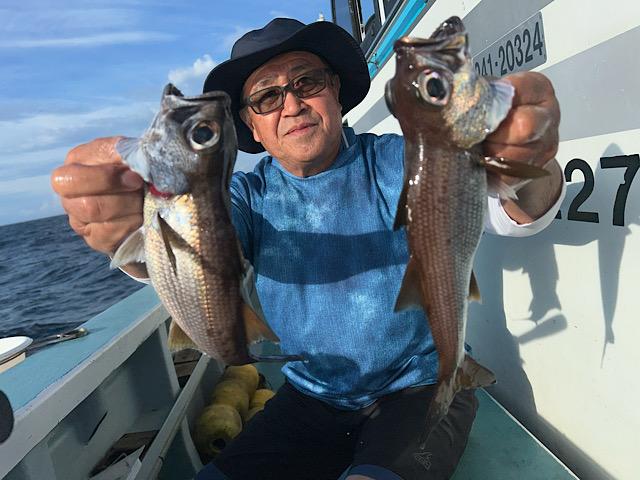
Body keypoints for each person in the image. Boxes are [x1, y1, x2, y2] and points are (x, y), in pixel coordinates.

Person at [51, 18, 564, 480]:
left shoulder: (403, 160)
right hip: (311, 397)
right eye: (267, 98)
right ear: (252, 126)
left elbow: (512, 208)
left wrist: (530, 162)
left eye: (307, 83)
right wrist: (132, 222)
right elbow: (204, 248)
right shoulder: (243, 197)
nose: (292, 104)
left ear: (335, 92)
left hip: (423, 388)